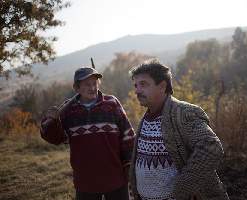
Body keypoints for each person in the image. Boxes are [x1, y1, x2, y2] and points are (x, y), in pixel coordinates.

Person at [128, 59, 230, 200]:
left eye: (143, 84)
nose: (137, 91)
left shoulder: (184, 113)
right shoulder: (146, 117)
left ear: (162, 86)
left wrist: (181, 191)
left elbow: (211, 147)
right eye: (136, 85)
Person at [40, 67, 135, 200]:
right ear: (77, 88)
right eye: (87, 85)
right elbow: (56, 138)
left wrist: (129, 166)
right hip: (85, 182)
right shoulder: (69, 111)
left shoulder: (111, 104)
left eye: (94, 83)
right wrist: (52, 122)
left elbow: (128, 135)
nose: (92, 88)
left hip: (116, 178)